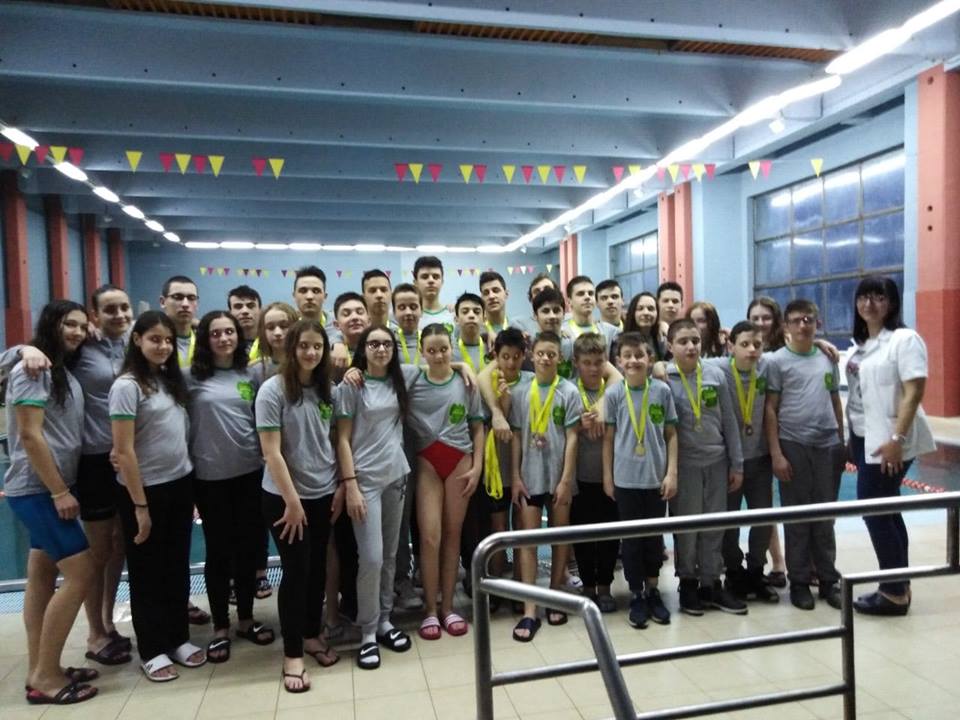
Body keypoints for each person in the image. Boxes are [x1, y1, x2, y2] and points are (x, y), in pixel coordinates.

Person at [5, 300, 100, 705]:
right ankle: (46, 676)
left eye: (81, 325)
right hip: (39, 489)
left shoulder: (57, 367)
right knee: (82, 572)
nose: (76, 332)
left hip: (48, 487)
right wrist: (59, 491)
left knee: (42, 576)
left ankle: (40, 667)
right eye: (68, 325)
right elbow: (30, 435)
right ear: (50, 325)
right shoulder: (34, 369)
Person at [110, 311, 206, 681]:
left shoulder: (168, 381)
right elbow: (123, 451)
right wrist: (140, 506)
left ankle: (177, 637)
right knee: (147, 571)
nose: (163, 346)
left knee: (176, 565)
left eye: (167, 340)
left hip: (179, 483)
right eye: (154, 339)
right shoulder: (127, 386)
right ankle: (151, 648)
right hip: (143, 490)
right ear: (137, 340)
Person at [256, 318, 342, 693]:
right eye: (304, 345)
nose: (310, 352)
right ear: (291, 348)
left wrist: (339, 486)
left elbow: (333, 440)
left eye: (317, 347)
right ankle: (292, 654)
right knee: (295, 572)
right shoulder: (273, 390)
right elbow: (271, 452)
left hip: (322, 493)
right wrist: (292, 502)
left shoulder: (327, 389)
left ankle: (310, 634)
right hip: (285, 498)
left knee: (316, 570)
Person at [187, 311, 274, 664]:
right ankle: (220, 626)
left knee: (249, 550)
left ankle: (247, 620)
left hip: (250, 473)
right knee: (219, 552)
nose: (224, 338)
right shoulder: (190, 378)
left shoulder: (249, 375)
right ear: (205, 339)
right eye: (216, 333)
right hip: (209, 479)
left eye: (229, 332)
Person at [846, 276, 936, 616]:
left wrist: (897, 439)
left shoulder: (904, 339)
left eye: (878, 297)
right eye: (863, 297)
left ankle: (894, 592)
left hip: (889, 439)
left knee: (874, 510)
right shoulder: (862, 345)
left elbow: (914, 391)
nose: (869, 304)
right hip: (863, 436)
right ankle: (899, 585)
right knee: (887, 509)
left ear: (892, 303)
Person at [336, 325, 415, 668]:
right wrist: (350, 484)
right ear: (363, 349)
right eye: (374, 344)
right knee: (370, 558)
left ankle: (384, 620)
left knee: (390, 556)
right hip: (364, 481)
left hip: (395, 477)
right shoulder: (351, 385)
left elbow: (439, 364)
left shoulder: (401, 380)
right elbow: (342, 439)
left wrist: (462, 366)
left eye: (387, 344)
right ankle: (367, 631)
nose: (381, 349)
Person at [764, 299, 845, 611]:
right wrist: (776, 453)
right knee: (797, 518)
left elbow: (834, 400)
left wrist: (841, 439)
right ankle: (798, 581)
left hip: (827, 444)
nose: (803, 325)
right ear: (786, 326)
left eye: (808, 320)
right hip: (793, 444)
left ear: (817, 323)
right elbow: (770, 409)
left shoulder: (827, 358)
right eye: (796, 320)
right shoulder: (777, 362)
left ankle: (827, 580)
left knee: (824, 518)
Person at [407, 324, 484, 640]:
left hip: (460, 461)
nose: (438, 355)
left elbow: (477, 425)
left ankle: (448, 607)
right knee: (430, 538)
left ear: (451, 349)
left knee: (453, 535)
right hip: (426, 462)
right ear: (422, 352)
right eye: (432, 350)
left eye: (444, 349)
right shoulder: (413, 380)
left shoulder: (466, 381)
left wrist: (477, 466)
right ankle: (430, 609)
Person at [664, 319, 746, 616]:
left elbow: (730, 421)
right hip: (685, 465)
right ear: (669, 346)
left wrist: (737, 463)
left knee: (714, 524)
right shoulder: (664, 378)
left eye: (695, 341)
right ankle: (688, 583)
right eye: (683, 341)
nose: (690, 346)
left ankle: (711, 583)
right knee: (686, 528)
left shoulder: (715, 375)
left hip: (716, 461)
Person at [508, 331, 581, 642]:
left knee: (559, 538)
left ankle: (554, 596)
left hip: (559, 477)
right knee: (528, 541)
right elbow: (516, 436)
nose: (546, 358)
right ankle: (530, 608)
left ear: (559, 357)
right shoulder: (521, 392)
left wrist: (566, 479)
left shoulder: (569, 391)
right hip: (529, 476)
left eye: (552, 354)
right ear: (532, 355)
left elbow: (573, 437)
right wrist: (515, 475)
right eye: (541, 353)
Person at [602, 332, 678, 628]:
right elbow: (609, 439)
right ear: (618, 361)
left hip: (655, 480)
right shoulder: (614, 394)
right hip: (625, 480)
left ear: (650, 359)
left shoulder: (661, 391)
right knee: (631, 542)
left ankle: (653, 590)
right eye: (627, 356)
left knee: (654, 540)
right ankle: (636, 594)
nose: (633, 360)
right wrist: (608, 477)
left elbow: (671, 434)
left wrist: (671, 473)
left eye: (639, 355)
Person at [712, 322, 779, 603]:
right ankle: (734, 571)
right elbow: (678, 365)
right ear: (731, 346)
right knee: (729, 522)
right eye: (745, 344)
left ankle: (756, 571)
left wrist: (823, 345)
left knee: (763, 519)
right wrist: (658, 366)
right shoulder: (718, 368)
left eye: (757, 345)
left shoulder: (767, 366)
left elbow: (793, 351)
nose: (752, 350)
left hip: (760, 459)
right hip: (729, 462)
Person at [570, 333, 619, 613]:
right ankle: (588, 586)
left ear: (606, 362)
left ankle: (605, 586)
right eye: (586, 362)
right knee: (584, 536)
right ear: (576, 362)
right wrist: (579, 425)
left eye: (598, 362)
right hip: (580, 478)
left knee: (610, 535)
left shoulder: (614, 393)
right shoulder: (568, 391)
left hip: (610, 477)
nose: (592, 368)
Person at [747, 296, 787, 587]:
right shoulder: (745, 349)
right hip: (752, 441)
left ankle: (782, 562)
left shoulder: (783, 353)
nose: (760, 323)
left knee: (769, 505)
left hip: (781, 436)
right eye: (755, 318)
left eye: (766, 317)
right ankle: (777, 561)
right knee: (764, 505)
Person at [391, 283, 425, 610]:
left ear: (422, 309)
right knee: (400, 516)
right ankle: (401, 579)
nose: (408, 311)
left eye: (413, 306)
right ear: (394, 311)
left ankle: (424, 572)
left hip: (426, 439)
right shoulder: (387, 343)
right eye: (401, 306)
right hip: (395, 439)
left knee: (424, 512)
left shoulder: (432, 341)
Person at [563, 276, 619, 350]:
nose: (587, 297)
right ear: (569, 302)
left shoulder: (611, 332)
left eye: (591, 293)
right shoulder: (562, 333)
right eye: (581, 294)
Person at [159, 276, 200, 369]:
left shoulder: (206, 342)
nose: (185, 304)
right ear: (162, 302)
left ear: (197, 303)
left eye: (191, 298)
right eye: (177, 297)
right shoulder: (151, 341)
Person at [414, 256, 454, 331]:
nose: (431, 280)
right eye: (425, 277)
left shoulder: (453, 316)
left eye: (435, 277)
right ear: (415, 282)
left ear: (442, 282)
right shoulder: (410, 317)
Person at [450, 292, 487, 372]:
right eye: (465, 311)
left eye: (476, 312)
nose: (471, 315)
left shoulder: (492, 348)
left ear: (484, 319)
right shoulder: (449, 351)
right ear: (456, 319)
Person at [623, 291, 663, 359]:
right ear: (632, 313)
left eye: (650, 309)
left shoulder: (661, 341)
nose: (646, 313)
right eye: (640, 309)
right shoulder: (619, 341)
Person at [228, 285, 262, 359]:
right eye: (238, 306)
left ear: (260, 311)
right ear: (230, 313)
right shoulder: (225, 344)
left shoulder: (270, 342)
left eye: (251, 306)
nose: (245, 311)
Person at [479, 271, 510, 337]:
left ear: (506, 294)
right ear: (481, 299)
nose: (491, 296)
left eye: (496, 290)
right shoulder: (475, 332)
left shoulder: (517, 328)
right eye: (486, 293)